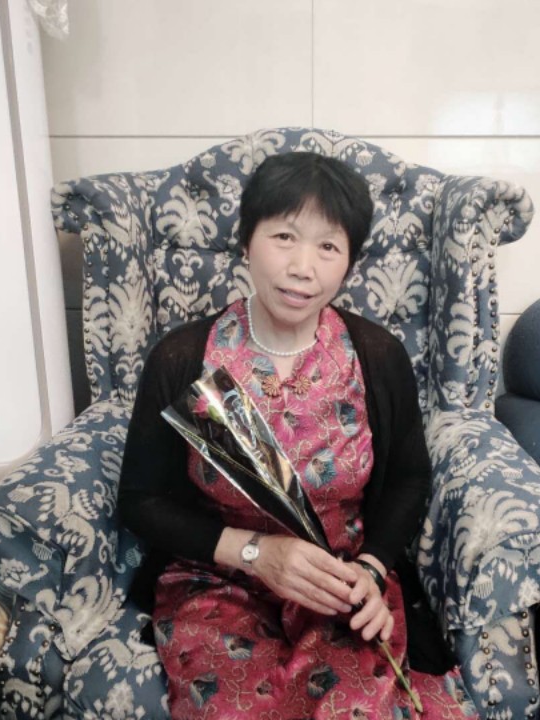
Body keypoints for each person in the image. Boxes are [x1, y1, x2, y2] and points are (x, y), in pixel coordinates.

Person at [118, 152, 477, 719]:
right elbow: (140, 500)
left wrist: (372, 568)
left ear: (349, 262)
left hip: (339, 581)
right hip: (218, 583)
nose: (303, 267)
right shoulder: (184, 359)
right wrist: (257, 553)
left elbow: (408, 478)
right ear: (246, 241)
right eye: (284, 236)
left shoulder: (376, 357)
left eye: (328, 246)